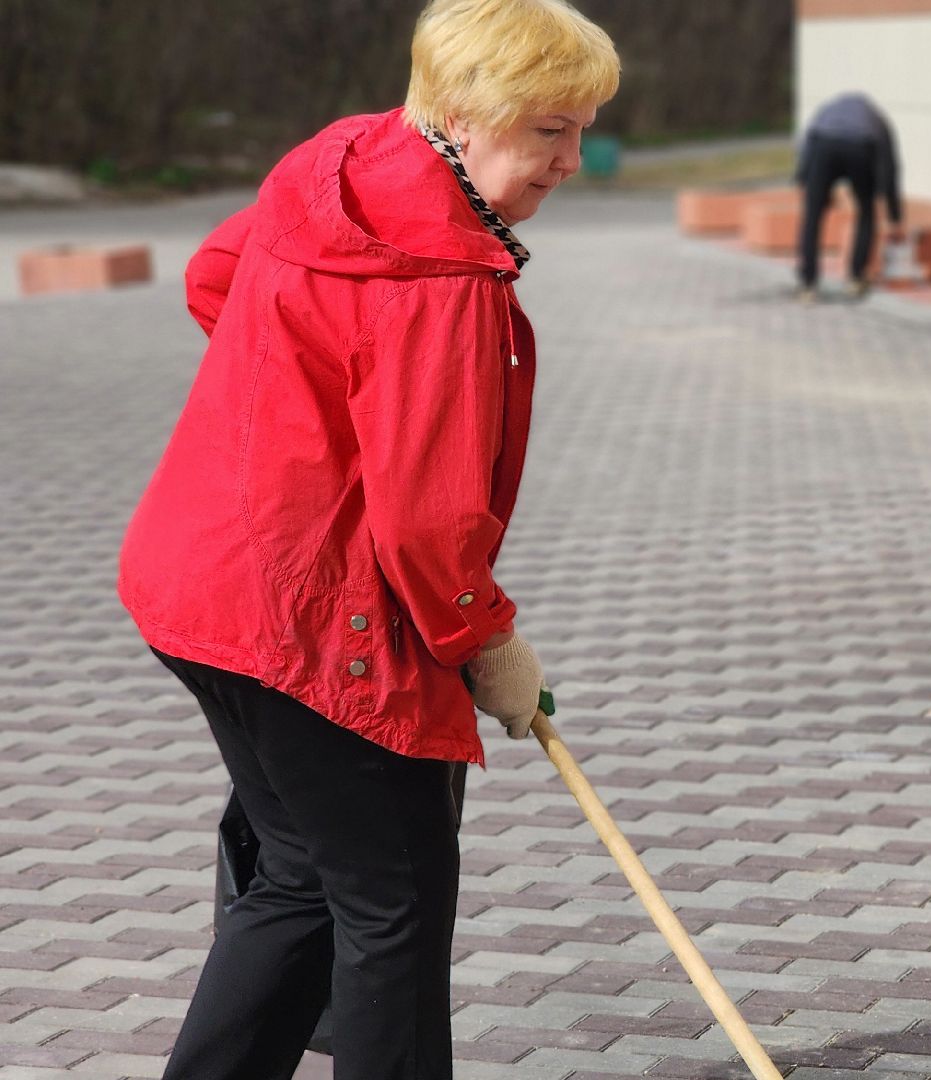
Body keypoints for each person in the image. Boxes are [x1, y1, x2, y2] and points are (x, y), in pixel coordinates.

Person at [116, 1, 618, 1076]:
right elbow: (430, 526)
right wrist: (489, 647)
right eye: (549, 131)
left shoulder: (339, 163)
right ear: (471, 116)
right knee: (390, 908)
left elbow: (217, 279)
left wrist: (308, 394)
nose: (574, 161)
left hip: (194, 585)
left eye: (581, 130)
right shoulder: (443, 275)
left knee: (303, 877)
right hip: (305, 626)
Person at [794, 91, 904, 303]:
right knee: (866, 211)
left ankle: (807, 284)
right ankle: (856, 278)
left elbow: (808, 141)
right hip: (859, 147)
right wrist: (894, 217)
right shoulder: (878, 120)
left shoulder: (826, 111)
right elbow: (890, 168)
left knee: (812, 215)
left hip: (823, 146)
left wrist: (803, 179)